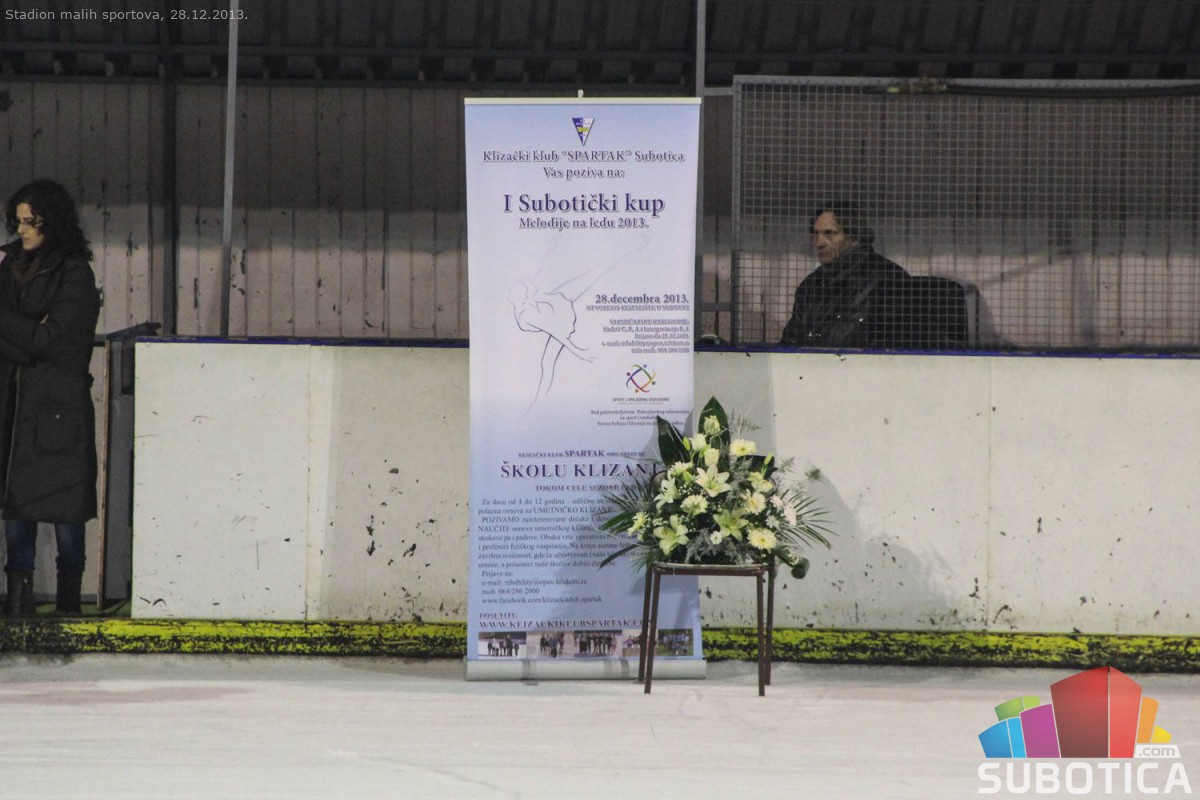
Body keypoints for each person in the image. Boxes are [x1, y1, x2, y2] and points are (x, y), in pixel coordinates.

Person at [0, 179, 101, 616]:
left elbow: (54, 341)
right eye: (19, 222)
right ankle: (18, 596)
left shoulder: (74, 273)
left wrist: (13, 329)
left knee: (65, 506)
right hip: (15, 402)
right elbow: (39, 339)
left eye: (31, 223)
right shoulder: (9, 266)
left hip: (58, 407)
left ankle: (68, 600)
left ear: (51, 223)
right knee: (17, 501)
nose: (22, 230)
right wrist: (30, 337)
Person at [779, 202, 914, 348]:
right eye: (816, 233)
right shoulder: (811, 285)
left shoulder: (888, 280)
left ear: (853, 236)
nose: (819, 243)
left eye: (829, 233)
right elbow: (790, 343)